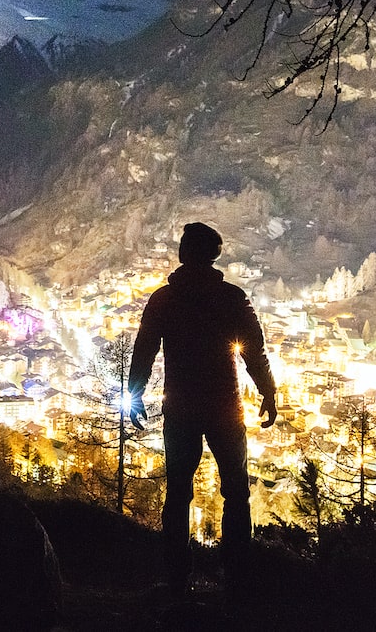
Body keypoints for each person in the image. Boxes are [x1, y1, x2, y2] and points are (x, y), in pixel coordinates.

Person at [128, 221, 277, 597]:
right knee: (236, 492)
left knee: (179, 492)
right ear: (214, 256)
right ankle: (238, 576)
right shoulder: (232, 298)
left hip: (179, 406)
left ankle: (178, 576)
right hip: (225, 407)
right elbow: (253, 351)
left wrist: (135, 393)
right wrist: (268, 392)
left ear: (184, 254)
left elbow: (145, 349)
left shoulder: (164, 299)